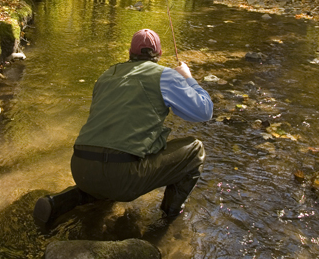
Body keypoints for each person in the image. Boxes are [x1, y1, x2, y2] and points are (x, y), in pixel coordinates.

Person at [33, 28, 213, 226]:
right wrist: (188, 78)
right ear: (159, 55)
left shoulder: (106, 75)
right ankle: (168, 220)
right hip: (121, 176)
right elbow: (204, 111)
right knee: (195, 150)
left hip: (80, 167)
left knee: (107, 165)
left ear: (130, 52)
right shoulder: (166, 76)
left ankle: (60, 202)